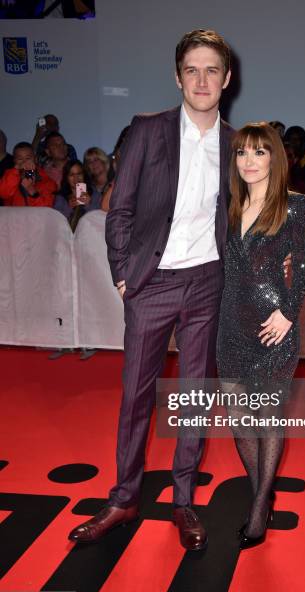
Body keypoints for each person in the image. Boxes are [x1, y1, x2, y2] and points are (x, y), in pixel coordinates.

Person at [67, 28, 234, 551]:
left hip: (208, 283)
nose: (202, 80)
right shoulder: (147, 130)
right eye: (192, 70)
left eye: (212, 70)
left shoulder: (240, 144)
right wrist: (124, 275)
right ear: (177, 77)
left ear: (227, 79)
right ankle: (123, 498)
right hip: (151, 283)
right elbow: (120, 209)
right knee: (136, 396)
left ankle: (182, 501)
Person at [216, 122, 305, 549]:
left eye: (258, 153)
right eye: (242, 153)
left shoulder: (296, 206)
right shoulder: (229, 205)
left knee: (267, 417)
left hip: (274, 326)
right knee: (239, 420)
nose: (249, 162)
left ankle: (258, 511)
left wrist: (289, 315)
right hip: (230, 324)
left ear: (275, 156)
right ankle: (262, 490)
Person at [0, 141, 57, 207]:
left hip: (35, 217)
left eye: (28, 158)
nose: (24, 162)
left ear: (35, 159)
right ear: (14, 161)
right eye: (20, 159)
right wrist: (15, 170)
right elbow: (3, 193)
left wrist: (31, 190)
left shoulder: (48, 182)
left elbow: (46, 209)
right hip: (13, 216)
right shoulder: (9, 176)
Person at [53, 160, 101, 231]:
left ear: (84, 175)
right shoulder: (61, 197)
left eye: (79, 174)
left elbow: (100, 219)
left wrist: (88, 205)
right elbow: (56, 222)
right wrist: (69, 208)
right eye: (72, 175)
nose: (76, 178)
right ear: (66, 178)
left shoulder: (94, 194)